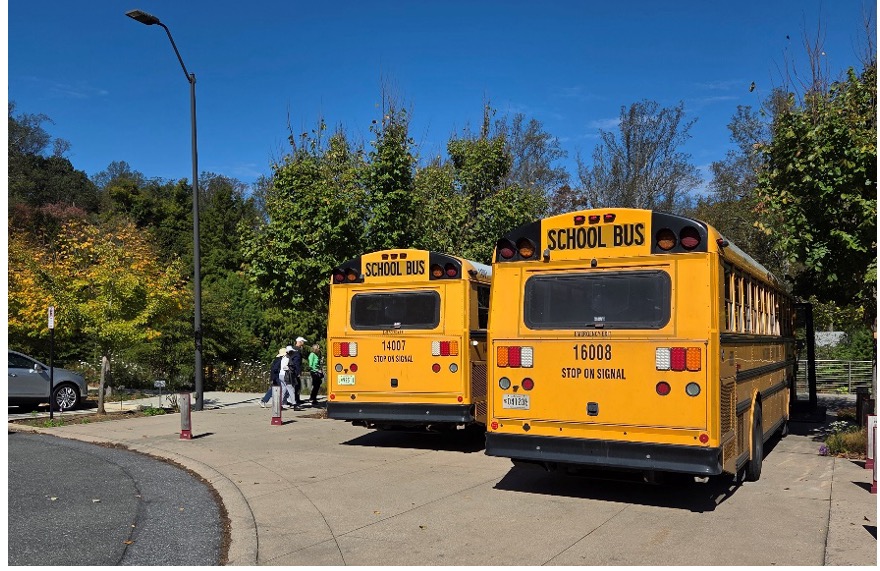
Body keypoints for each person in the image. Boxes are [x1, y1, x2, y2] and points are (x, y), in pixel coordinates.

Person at [286, 337, 307, 408]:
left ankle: (296, 399)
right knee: (295, 385)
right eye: (303, 342)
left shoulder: (293, 349)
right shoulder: (297, 350)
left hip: (292, 370)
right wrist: (298, 372)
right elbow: (297, 362)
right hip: (294, 371)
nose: (303, 343)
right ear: (300, 342)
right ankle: (294, 400)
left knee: (296, 385)